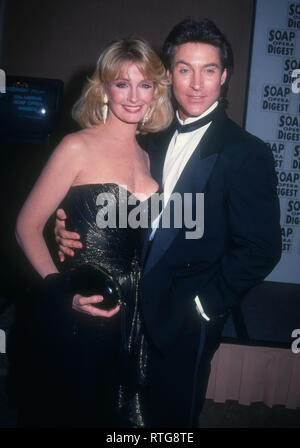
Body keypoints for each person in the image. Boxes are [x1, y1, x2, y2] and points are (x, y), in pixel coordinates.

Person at [55, 19, 282, 427]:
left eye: (209, 70)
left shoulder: (247, 153)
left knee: (172, 420)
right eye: (184, 69)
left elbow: (263, 247)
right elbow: (135, 216)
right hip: (127, 305)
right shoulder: (149, 139)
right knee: (118, 412)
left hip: (187, 318)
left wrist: (204, 305)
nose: (196, 84)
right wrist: (72, 224)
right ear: (168, 76)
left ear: (224, 76)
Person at [15, 36, 173, 427]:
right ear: (104, 89)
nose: (134, 96)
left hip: (135, 310)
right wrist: (62, 292)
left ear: (156, 92)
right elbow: (25, 227)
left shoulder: (149, 156)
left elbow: (140, 232)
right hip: (84, 305)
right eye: (122, 83)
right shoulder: (76, 147)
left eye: (145, 84)